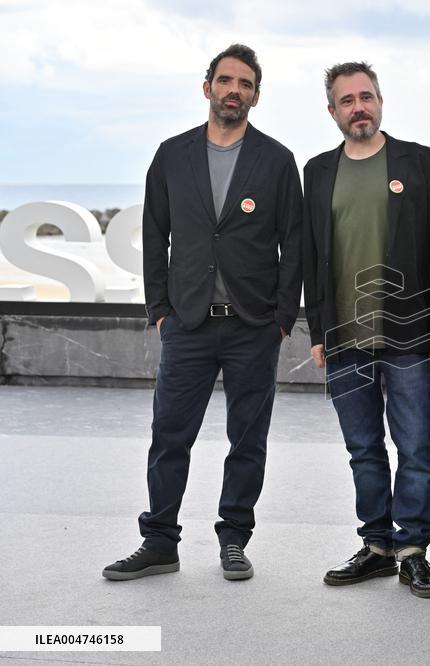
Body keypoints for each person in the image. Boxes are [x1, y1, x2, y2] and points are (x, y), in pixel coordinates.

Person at [103, 44, 302, 582]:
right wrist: (159, 309)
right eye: (225, 80)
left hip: (252, 325)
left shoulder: (277, 160)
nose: (233, 90)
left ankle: (234, 538)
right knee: (169, 434)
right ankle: (159, 541)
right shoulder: (172, 155)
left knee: (248, 439)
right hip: (187, 323)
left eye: (244, 83)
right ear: (207, 87)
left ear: (256, 95)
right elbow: (154, 236)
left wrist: (283, 318)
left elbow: (294, 243)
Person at [302, 62, 430, 598]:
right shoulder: (317, 170)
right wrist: (317, 330)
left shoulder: (416, 159)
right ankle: (377, 546)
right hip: (343, 337)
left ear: (381, 101)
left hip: (408, 333)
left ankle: (413, 551)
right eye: (347, 100)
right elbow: (310, 256)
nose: (358, 107)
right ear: (333, 111)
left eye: (366, 96)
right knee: (363, 449)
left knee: (414, 445)